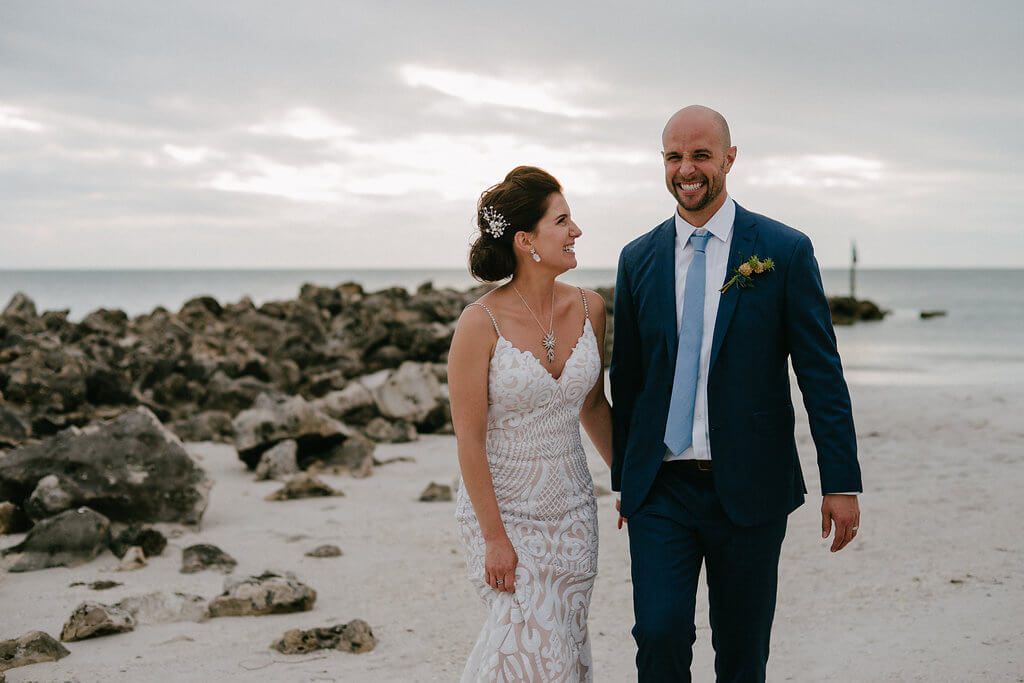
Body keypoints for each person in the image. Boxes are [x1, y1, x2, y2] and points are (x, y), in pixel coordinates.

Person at [610, 105, 863, 682]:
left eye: (700, 154)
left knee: (743, 652)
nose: (687, 169)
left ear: (729, 158)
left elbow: (821, 375)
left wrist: (841, 482)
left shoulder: (783, 250)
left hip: (749, 490)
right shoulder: (637, 259)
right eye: (674, 156)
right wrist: (627, 479)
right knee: (658, 633)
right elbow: (628, 380)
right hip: (661, 490)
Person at [449, 166, 614, 682]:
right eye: (562, 220)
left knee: (563, 646)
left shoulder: (591, 308)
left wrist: (631, 480)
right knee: (523, 645)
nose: (576, 231)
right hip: (504, 513)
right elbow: (469, 442)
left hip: (572, 513)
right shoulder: (480, 324)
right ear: (526, 241)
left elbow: (593, 408)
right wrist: (496, 540)